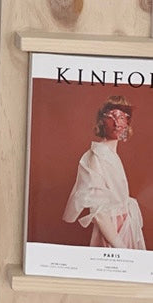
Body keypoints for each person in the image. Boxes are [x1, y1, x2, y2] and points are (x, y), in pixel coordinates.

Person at [62, 96, 145, 250]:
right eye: (111, 117)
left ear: (127, 123)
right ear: (102, 122)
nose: (117, 123)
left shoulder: (111, 154)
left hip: (127, 228)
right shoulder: (96, 156)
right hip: (113, 235)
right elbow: (99, 212)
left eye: (121, 117)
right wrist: (120, 246)